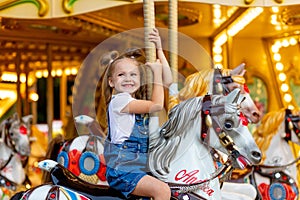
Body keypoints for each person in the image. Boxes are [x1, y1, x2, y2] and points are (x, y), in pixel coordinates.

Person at [102, 28, 172, 200]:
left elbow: (168, 80)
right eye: (121, 75)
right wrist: (155, 74)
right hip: (123, 170)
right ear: (111, 82)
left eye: (133, 74)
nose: (128, 78)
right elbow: (156, 105)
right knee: (162, 191)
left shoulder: (133, 101)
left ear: (140, 80)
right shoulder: (119, 101)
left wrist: (159, 50)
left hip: (138, 167)